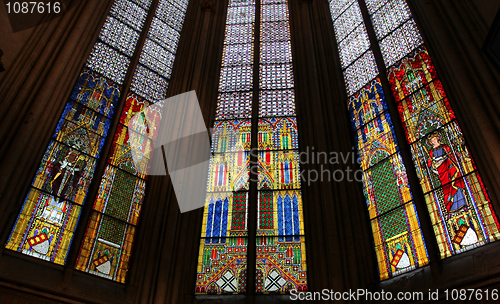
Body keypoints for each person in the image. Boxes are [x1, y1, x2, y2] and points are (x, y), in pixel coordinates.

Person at [427, 132, 468, 214]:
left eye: (434, 138)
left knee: (455, 184)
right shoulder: (431, 152)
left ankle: (463, 205)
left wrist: (445, 159)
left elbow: (451, 155)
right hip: (441, 172)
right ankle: (450, 209)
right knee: (446, 190)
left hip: (449, 168)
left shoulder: (444, 146)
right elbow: (430, 163)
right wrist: (434, 168)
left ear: (437, 138)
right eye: (432, 140)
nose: (434, 140)